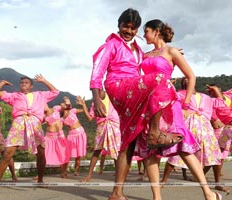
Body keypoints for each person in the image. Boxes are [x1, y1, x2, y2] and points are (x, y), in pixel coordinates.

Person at [90, 9, 184, 200]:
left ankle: (117, 193)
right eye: (126, 26)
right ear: (119, 25)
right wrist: (97, 98)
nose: (129, 31)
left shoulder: (139, 50)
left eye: (134, 28)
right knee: (159, 79)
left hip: (135, 91)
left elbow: (148, 62)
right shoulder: (109, 46)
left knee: (128, 141)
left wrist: (167, 54)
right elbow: (97, 72)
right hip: (117, 86)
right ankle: (155, 134)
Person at [140, 19, 223, 200]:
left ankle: (208, 193)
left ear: (156, 31)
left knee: (183, 148)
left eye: (146, 31)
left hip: (170, 104)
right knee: (152, 149)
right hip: (149, 105)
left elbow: (191, 77)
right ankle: (157, 197)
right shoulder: (144, 55)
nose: (143, 35)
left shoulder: (171, 51)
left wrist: (185, 104)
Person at [0, 74, 59, 191]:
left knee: (41, 153)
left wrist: (44, 81)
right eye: (22, 83)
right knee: (8, 152)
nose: (23, 84)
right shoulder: (14, 96)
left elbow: (55, 92)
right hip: (18, 123)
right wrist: (3, 82)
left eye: (26, 83)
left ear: (31, 86)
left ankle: (40, 180)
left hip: (35, 123)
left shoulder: (40, 95)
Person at [160, 77, 222, 186]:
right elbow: (168, 97)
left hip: (205, 128)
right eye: (185, 81)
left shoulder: (206, 97)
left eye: (189, 79)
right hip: (188, 126)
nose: (187, 81)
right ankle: (163, 180)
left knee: (213, 153)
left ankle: (217, 183)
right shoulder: (181, 95)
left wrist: (216, 91)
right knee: (178, 153)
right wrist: (169, 84)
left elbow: (220, 103)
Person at [81, 90, 121, 182]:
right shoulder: (94, 103)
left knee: (115, 150)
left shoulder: (112, 95)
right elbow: (90, 118)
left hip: (114, 124)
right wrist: (83, 105)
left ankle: (119, 175)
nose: (97, 92)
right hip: (101, 125)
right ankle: (89, 176)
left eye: (98, 89)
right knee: (97, 150)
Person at [61, 96, 87, 176]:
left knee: (78, 155)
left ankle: (76, 171)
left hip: (81, 133)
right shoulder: (61, 119)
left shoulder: (73, 111)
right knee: (67, 154)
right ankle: (64, 171)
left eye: (65, 104)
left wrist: (83, 104)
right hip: (71, 136)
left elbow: (84, 110)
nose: (64, 105)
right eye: (62, 104)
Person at [43, 104, 69, 178]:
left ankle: (64, 172)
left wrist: (67, 104)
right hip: (49, 137)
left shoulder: (55, 108)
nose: (42, 106)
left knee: (63, 153)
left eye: (43, 104)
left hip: (59, 135)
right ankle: (39, 174)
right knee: (43, 154)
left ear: (46, 104)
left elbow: (66, 108)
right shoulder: (43, 115)